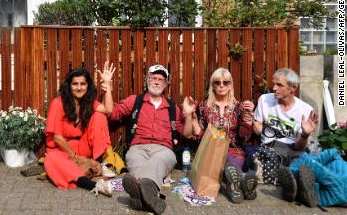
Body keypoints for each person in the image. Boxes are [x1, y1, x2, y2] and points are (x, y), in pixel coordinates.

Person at [108, 64, 194, 215]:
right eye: (153, 78)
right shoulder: (135, 101)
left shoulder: (172, 107)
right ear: (147, 80)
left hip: (164, 150)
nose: (156, 82)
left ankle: (138, 196)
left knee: (158, 160)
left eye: (161, 79)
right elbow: (112, 113)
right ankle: (152, 199)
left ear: (165, 84)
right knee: (135, 160)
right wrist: (107, 87)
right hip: (137, 148)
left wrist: (188, 116)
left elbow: (187, 134)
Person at [183, 68, 258, 204]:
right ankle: (240, 185)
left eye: (225, 82)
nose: (221, 85)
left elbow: (244, 138)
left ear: (230, 86)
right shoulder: (203, 106)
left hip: (233, 149)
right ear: (212, 85)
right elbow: (200, 135)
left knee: (231, 167)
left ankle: (239, 184)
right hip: (210, 150)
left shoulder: (239, 107)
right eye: (217, 82)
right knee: (222, 168)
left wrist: (248, 123)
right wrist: (193, 121)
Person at [44, 62, 116, 196]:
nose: (79, 88)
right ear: (69, 86)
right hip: (62, 150)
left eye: (82, 84)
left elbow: (108, 110)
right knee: (51, 159)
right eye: (75, 84)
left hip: (83, 148)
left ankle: (97, 164)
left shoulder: (88, 103)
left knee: (100, 116)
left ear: (87, 86)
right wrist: (76, 158)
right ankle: (92, 184)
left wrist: (108, 86)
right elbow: (58, 138)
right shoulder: (58, 103)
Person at [251, 68, 320, 206]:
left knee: (303, 164)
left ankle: (298, 188)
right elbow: (257, 125)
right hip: (272, 146)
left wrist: (305, 134)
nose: (274, 88)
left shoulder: (305, 110)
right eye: (274, 84)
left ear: (293, 88)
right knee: (270, 157)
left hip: (294, 147)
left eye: (279, 85)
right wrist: (262, 130)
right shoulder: (265, 100)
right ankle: (295, 188)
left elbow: (300, 145)